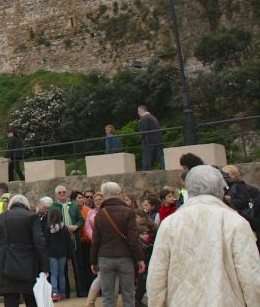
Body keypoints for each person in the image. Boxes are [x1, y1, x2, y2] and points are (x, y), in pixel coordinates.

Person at [147, 165, 260, 306]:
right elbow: (250, 275)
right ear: (221, 189)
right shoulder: (235, 222)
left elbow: (157, 275)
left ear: (188, 190)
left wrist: (155, 303)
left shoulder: (170, 224)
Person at [90, 182, 145, 307]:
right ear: (118, 193)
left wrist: (93, 261)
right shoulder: (128, 211)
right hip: (125, 256)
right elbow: (133, 239)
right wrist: (139, 258)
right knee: (128, 294)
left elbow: (96, 240)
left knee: (108, 296)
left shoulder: (100, 213)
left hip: (105, 257)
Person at [0, 194, 49, 307]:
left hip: (7, 263)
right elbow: (39, 242)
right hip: (29, 264)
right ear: (26, 204)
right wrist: (45, 267)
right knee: (31, 298)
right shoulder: (32, 216)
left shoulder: (2, 217)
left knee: (10, 299)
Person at [48, 185, 85, 298]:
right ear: (56, 195)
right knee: (61, 270)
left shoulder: (73, 205)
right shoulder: (53, 207)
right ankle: (65, 293)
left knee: (77, 266)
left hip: (74, 240)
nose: (62, 194)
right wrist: (62, 228)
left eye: (64, 192)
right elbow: (50, 223)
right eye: (60, 193)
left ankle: (81, 291)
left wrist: (76, 226)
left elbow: (80, 220)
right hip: (60, 242)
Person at [47, 208, 70, 302]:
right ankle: (63, 294)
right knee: (62, 274)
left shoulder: (48, 228)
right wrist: (69, 255)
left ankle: (55, 293)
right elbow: (68, 242)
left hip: (52, 253)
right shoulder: (64, 228)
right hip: (62, 253)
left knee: (53, 274)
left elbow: (46, 242)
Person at [137, 105, 164, 170]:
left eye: (138, 111)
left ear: (142, 111)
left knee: (146, 159)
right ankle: (166, 168)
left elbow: (143, 130)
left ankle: (145, 172)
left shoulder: (144, 118)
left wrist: (140, 139)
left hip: (149, 141)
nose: (138, 113)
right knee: (160, 157)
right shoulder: (153, 117)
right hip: (158, 140)